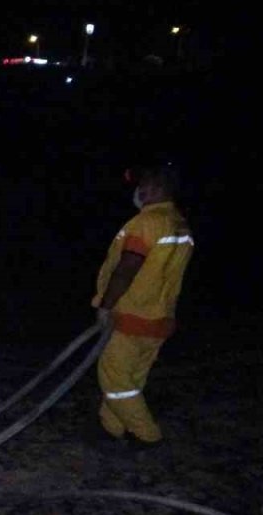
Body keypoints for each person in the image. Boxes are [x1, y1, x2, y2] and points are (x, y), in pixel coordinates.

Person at [92, 164, 193, 445]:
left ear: (158, 188)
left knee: (115, 381)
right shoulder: (178, 222)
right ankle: (111, 428)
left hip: (131, 317)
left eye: (144, 185)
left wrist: (105, 304)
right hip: (159, 319)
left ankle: (148, 436)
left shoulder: (146, 223)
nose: (138, 191)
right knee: (130, 380)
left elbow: (127, 267)